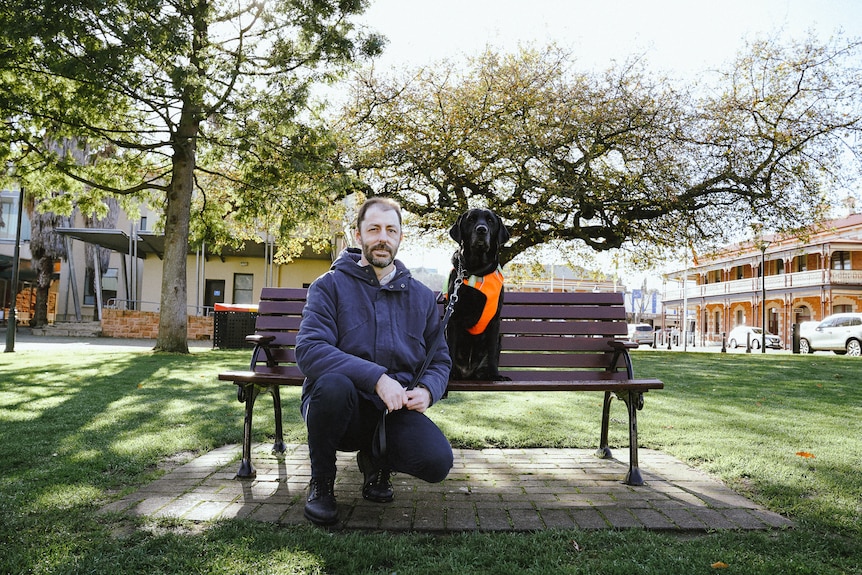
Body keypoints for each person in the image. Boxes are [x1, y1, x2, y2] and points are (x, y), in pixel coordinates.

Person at [295, 197, 454, 526]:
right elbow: (310, 349)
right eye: (374, 229)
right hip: (341, 409)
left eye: (390, 230)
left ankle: (376, 462)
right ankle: (322, 483)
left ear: (400, 238)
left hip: (391, 413)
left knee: (437, 461)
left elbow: (439, 360)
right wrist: (378, 379)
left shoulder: (422, 298)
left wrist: (427, 390)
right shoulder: (329, 287)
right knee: (334, 385)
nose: (382, 238)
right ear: (358, 236)